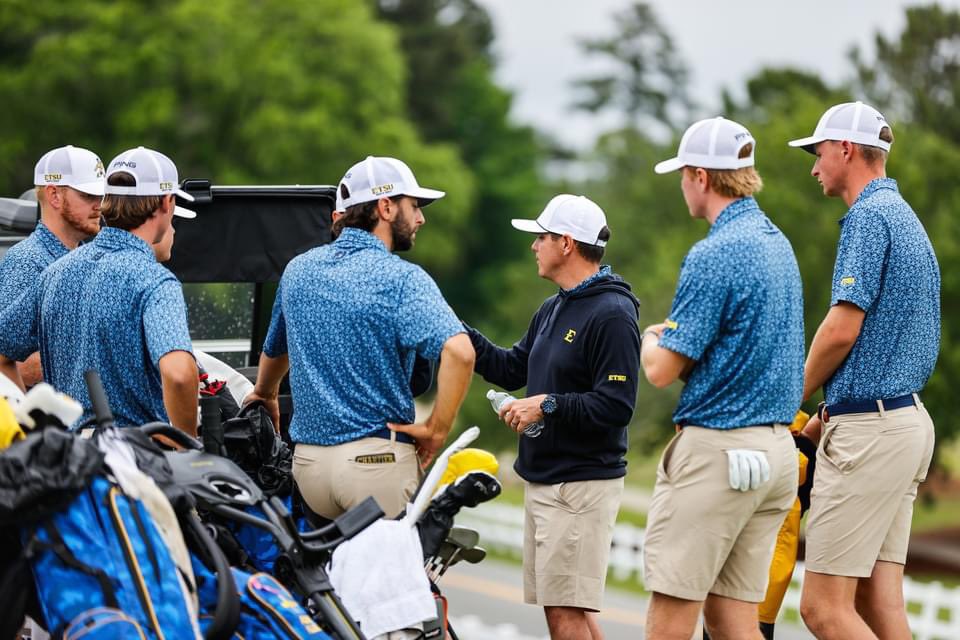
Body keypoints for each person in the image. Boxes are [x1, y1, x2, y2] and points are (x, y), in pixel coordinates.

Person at [641, 117, 802, 640]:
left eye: (683, 176)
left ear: (700, 176)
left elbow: (663, 370)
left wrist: (650, 337)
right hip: (775, 456)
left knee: (671, 615)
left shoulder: (714, 253)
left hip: (719, 455)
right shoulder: (778, 242)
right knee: (735, 621)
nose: (682, 185)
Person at [246, 156, 474, 520]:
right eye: (413, 206)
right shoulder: (402, 278)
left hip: (310, 469)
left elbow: (275, 351)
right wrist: (436, 429)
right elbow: (460, 353)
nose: (420, 219)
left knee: (326, 577)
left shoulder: (298, 269)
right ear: (385, 207)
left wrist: (264, 393)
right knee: (389, 578)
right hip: (376, 466)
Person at [788, 102, 939, 640]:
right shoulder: (903, 215)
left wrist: (788, 400)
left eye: (818, 152)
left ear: (846, 150)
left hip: (871, 433)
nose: (814, 166)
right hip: (903, 423)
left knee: (823, 609)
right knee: (880, 605)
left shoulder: (868, 217)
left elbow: (841, 329)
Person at [465, 194, 640, 640]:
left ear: (566, 243)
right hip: (548, 478)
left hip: (579, 484)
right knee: (567, 612)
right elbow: (510, 368)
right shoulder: (554, 306)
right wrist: (453, 326)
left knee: (565, 616)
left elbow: (617, 406)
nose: (533, 245)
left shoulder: (613, 313)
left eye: (540, 236)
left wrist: (545, 403)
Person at [0, 146, 200, 435]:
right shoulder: (155, 281)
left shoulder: (56, 271)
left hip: (70, 457)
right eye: (87, 195)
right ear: (167, 203)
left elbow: (4, 348)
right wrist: (186, 445)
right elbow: (179, 374)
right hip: (131, 459)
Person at [0, 145, 105, 387]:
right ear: (54, 195)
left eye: (101, 196)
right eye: (88, 195)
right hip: (53, 422)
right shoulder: (26, 261)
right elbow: (11, 361)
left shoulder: (87, 258)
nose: (99, 205)